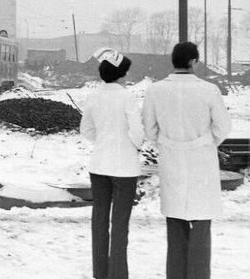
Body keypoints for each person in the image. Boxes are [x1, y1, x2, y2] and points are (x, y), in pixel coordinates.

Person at [142, 42, 232, 279]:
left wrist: (168, 140)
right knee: (201, 225)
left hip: (172, 160)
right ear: (193, 61)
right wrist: (206, 141)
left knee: (175, 224)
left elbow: (149, 131)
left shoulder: (155, 90)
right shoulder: (209, 90)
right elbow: (223, 128)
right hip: (202, 161)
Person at [80, 48, 142, 279]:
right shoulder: (128, 96)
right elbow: (137, 131)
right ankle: (117, 274)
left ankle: (100, 273)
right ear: (120, 74)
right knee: (120, 223)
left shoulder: (93, 96)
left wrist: (104, 141)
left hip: (99, 165)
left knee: (99, 220)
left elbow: (86, 130)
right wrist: (133, 145)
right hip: (125, 167)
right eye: (125, 72)